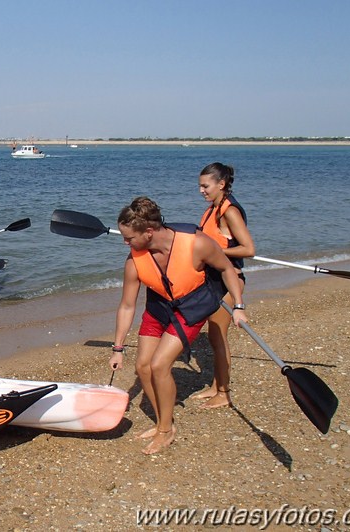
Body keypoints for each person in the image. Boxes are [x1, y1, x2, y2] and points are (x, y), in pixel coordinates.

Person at [110, 196, 247, 455]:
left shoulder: (197, 244)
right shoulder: (134, 261)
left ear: (149, 232)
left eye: (129, 238)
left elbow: (227, 269)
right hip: (159, 307)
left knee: (159, 365)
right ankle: (165, 419)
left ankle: (165, 430)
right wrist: (117, 348)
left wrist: (238, 307)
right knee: (142, 366)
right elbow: (127, 306)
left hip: (191, 306)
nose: (125, 242)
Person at [191, 163, 256, 408]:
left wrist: (215, 251)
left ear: (221, 184)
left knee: (218, 337)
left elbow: (249, 249)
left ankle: (224, 393)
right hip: (214, 280)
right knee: (214, 337)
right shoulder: (213, 209)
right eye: (199, 185)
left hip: (230, 282)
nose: (201, 190)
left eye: (205, 186)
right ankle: (215, 386)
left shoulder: (229, 211)